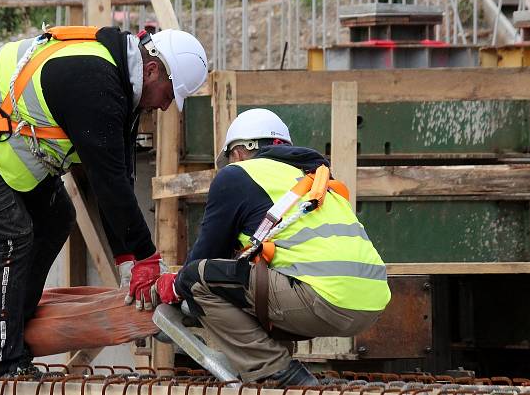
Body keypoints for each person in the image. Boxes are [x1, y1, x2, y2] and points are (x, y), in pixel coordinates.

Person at [0, 25, 208, 377]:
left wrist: (129, 258)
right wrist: (146, 258)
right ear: (151, 70)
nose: (164, 106)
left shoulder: (121, 81)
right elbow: (108, 183)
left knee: (56, 218)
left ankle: (0, 335)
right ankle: (6, 360)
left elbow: (119, 179)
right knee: (11, 237)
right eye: (167, 95)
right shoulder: (96, 81)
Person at [147, 108, 391, 385]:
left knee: (195, 278)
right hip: (371, 304)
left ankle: (274, 369)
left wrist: (172, 287)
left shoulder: (238, 175)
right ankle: (276, 365)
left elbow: (204, 258)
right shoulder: (315, 180)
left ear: (238, 153)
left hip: (323, 300)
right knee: (255, 274)